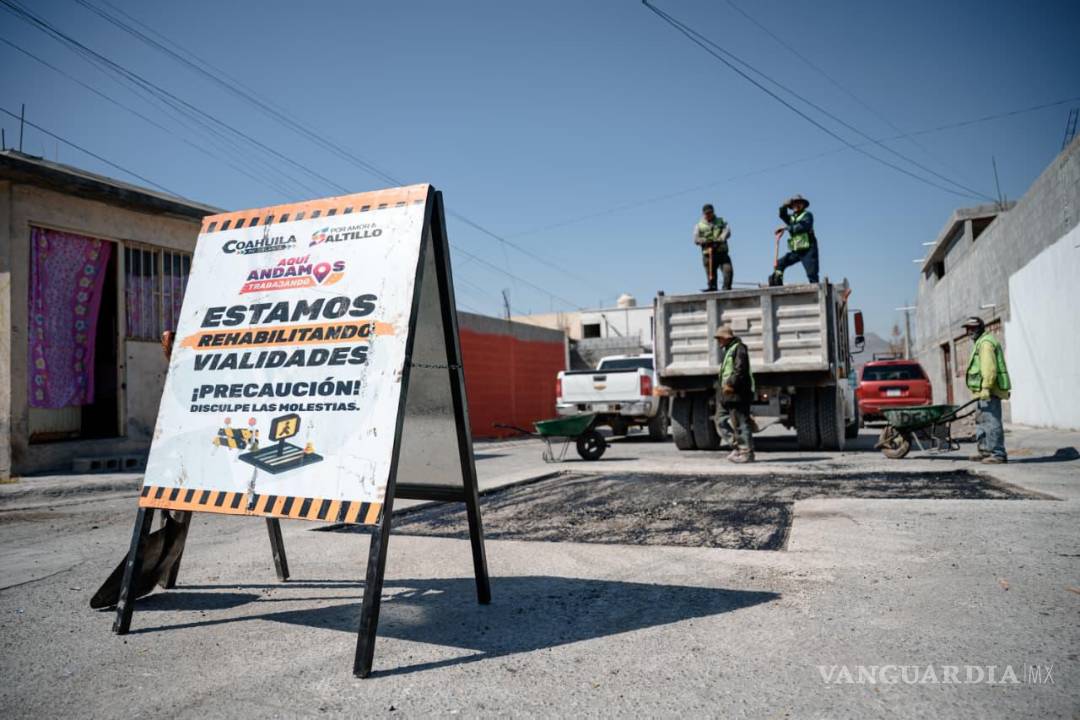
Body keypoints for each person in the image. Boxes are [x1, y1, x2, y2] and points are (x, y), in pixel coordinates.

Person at [962, 316, 1011, 463]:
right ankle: (985, 451)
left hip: (989, 391)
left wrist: (986, 388)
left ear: (980, 328)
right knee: (981, 421)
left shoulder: (986, 344)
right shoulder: (980, 343)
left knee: (991, 422)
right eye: (968, 329)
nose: (970, 331)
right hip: (982, 392)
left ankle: (998, 454)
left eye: (973, 328)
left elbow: (989, 369)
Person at [715, 325, 755, 463]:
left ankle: (746, 453)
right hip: (727, 394)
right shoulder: (729, 350)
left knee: (741, 423)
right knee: (719, 420)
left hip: (737, 393)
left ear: (727, 338)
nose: (718, 341)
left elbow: (740, 370)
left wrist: (730, 384)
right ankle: (738, 447)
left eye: (720, 338)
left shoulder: (739, 348)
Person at [770, 194, 819, 285]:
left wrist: (786, 228)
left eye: (798, 203)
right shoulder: (791, 218)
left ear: (803, 205)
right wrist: (784, 206)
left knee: (811, 273)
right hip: (797, 250)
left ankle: (816, 291)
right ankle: (777, 284)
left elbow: (802, 227)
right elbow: (782, 215)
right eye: (794, 204)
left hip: (808, 249)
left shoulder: (807, 215)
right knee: (780, 263)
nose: (796, 205)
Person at [694, 203, 733, 291]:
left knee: (728, 271)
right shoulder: (699, 225)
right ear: (703, 214)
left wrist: (720, 238)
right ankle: (712, 288)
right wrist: (705, 241)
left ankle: (726, 289)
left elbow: (727, 231)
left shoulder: (721, 221)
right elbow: (696, 239)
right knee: (711, 277)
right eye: (706, 213)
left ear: (713, 212)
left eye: (710, 212)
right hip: (708, 254)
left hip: (721, 252)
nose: (708, 215)